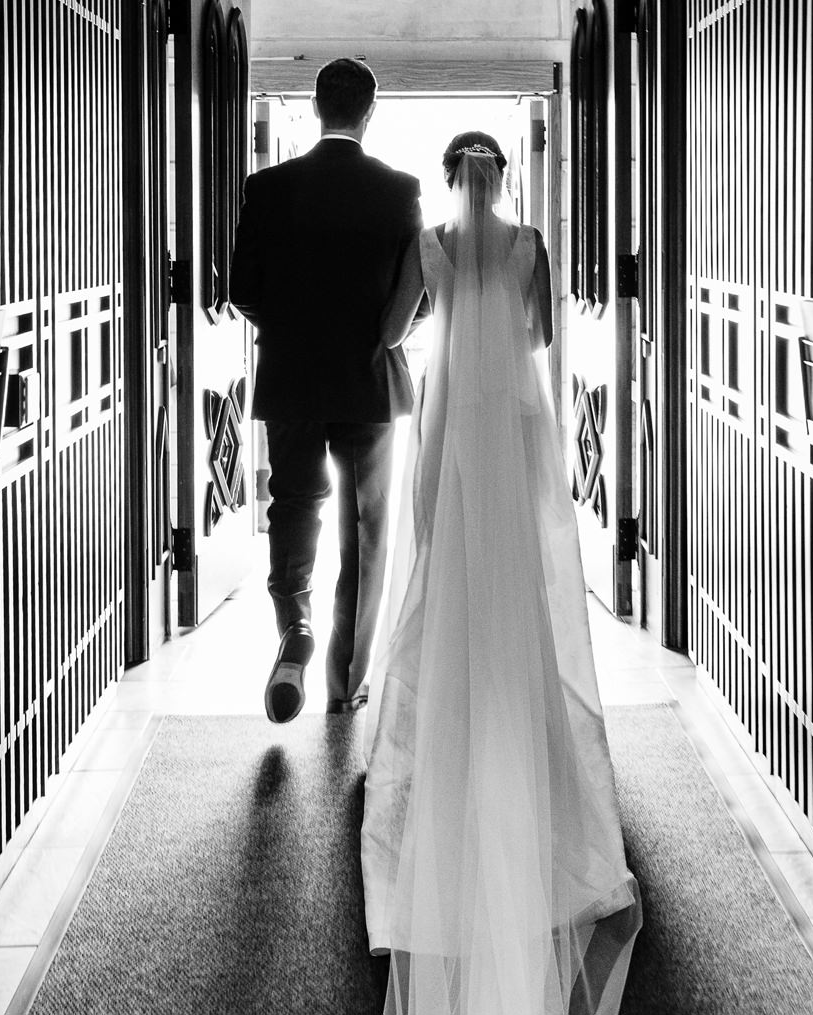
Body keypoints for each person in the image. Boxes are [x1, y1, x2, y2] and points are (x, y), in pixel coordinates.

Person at [360, 131, 641, 1015]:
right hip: (512, 419)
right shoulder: (528, 245)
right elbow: (543, 331)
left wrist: (423, 331)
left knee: (443, 573)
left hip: (451, 423)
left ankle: (457, 711)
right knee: (517, 578)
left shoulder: (433, 247)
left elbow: (397, 325)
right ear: (503, 179)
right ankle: (522, 724)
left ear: (451, 180)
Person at [229, 58, 423, 722]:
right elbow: (413, 298)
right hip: (369, 380)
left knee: (293, 504)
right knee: (365, 528)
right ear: (369, 113)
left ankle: (295, 625)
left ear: (316, 108)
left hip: (290, 376)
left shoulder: (268, 186)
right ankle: (345, 682)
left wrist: (290, 326)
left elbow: (242, 291)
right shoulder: (399, 191)